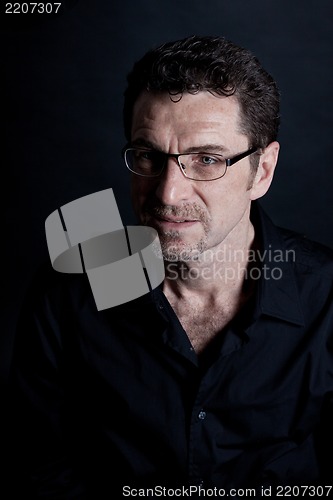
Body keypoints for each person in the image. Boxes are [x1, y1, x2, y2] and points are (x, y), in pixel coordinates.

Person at [9, 35, 333, 498]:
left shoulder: (326, 296)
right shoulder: (68, 289)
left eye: (206, 159)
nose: (167, 194)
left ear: (262, 172)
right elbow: (36, 467)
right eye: (148, 156)